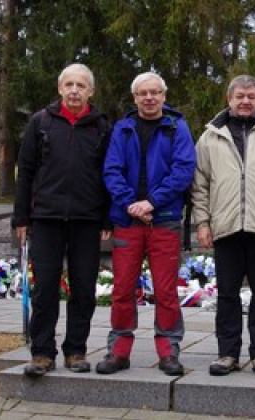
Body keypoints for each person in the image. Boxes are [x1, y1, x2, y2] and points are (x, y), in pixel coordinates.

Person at [13, 63, 111, 377]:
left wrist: (108, 218)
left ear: (90, 91)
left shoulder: (102, 127)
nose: (74, 91)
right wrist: (21, 218)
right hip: (46, 219)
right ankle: (42, 353)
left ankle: (76, 351)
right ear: (60, 89)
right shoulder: (40, 122)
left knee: (83, 288)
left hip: (87, 220)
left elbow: (109, 176)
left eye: (80, 85)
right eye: (68, 85)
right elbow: (26, 172)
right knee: (44, 289)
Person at [96, 72, 196, 377]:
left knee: (165, 291)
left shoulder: (177, 128)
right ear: (135, 97)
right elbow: (111, 170)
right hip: (128, 220)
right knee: (122, 289)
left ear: (164, 96)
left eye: (155, 92)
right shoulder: (122, 129)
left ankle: (168, 351)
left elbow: (183, 170)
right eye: (143, 93)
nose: (149, 98)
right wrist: (132, 205)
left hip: (163, 221)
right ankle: (119, 351)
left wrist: (151, 202)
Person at [191, 75, 255, 377]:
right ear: (229, 99)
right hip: (226, 226)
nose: (245, 101)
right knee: (227, 295)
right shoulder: (210, 137)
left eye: (251, 96)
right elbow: (200, 185)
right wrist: (202, 222)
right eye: (240, 96)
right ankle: (227, 354)